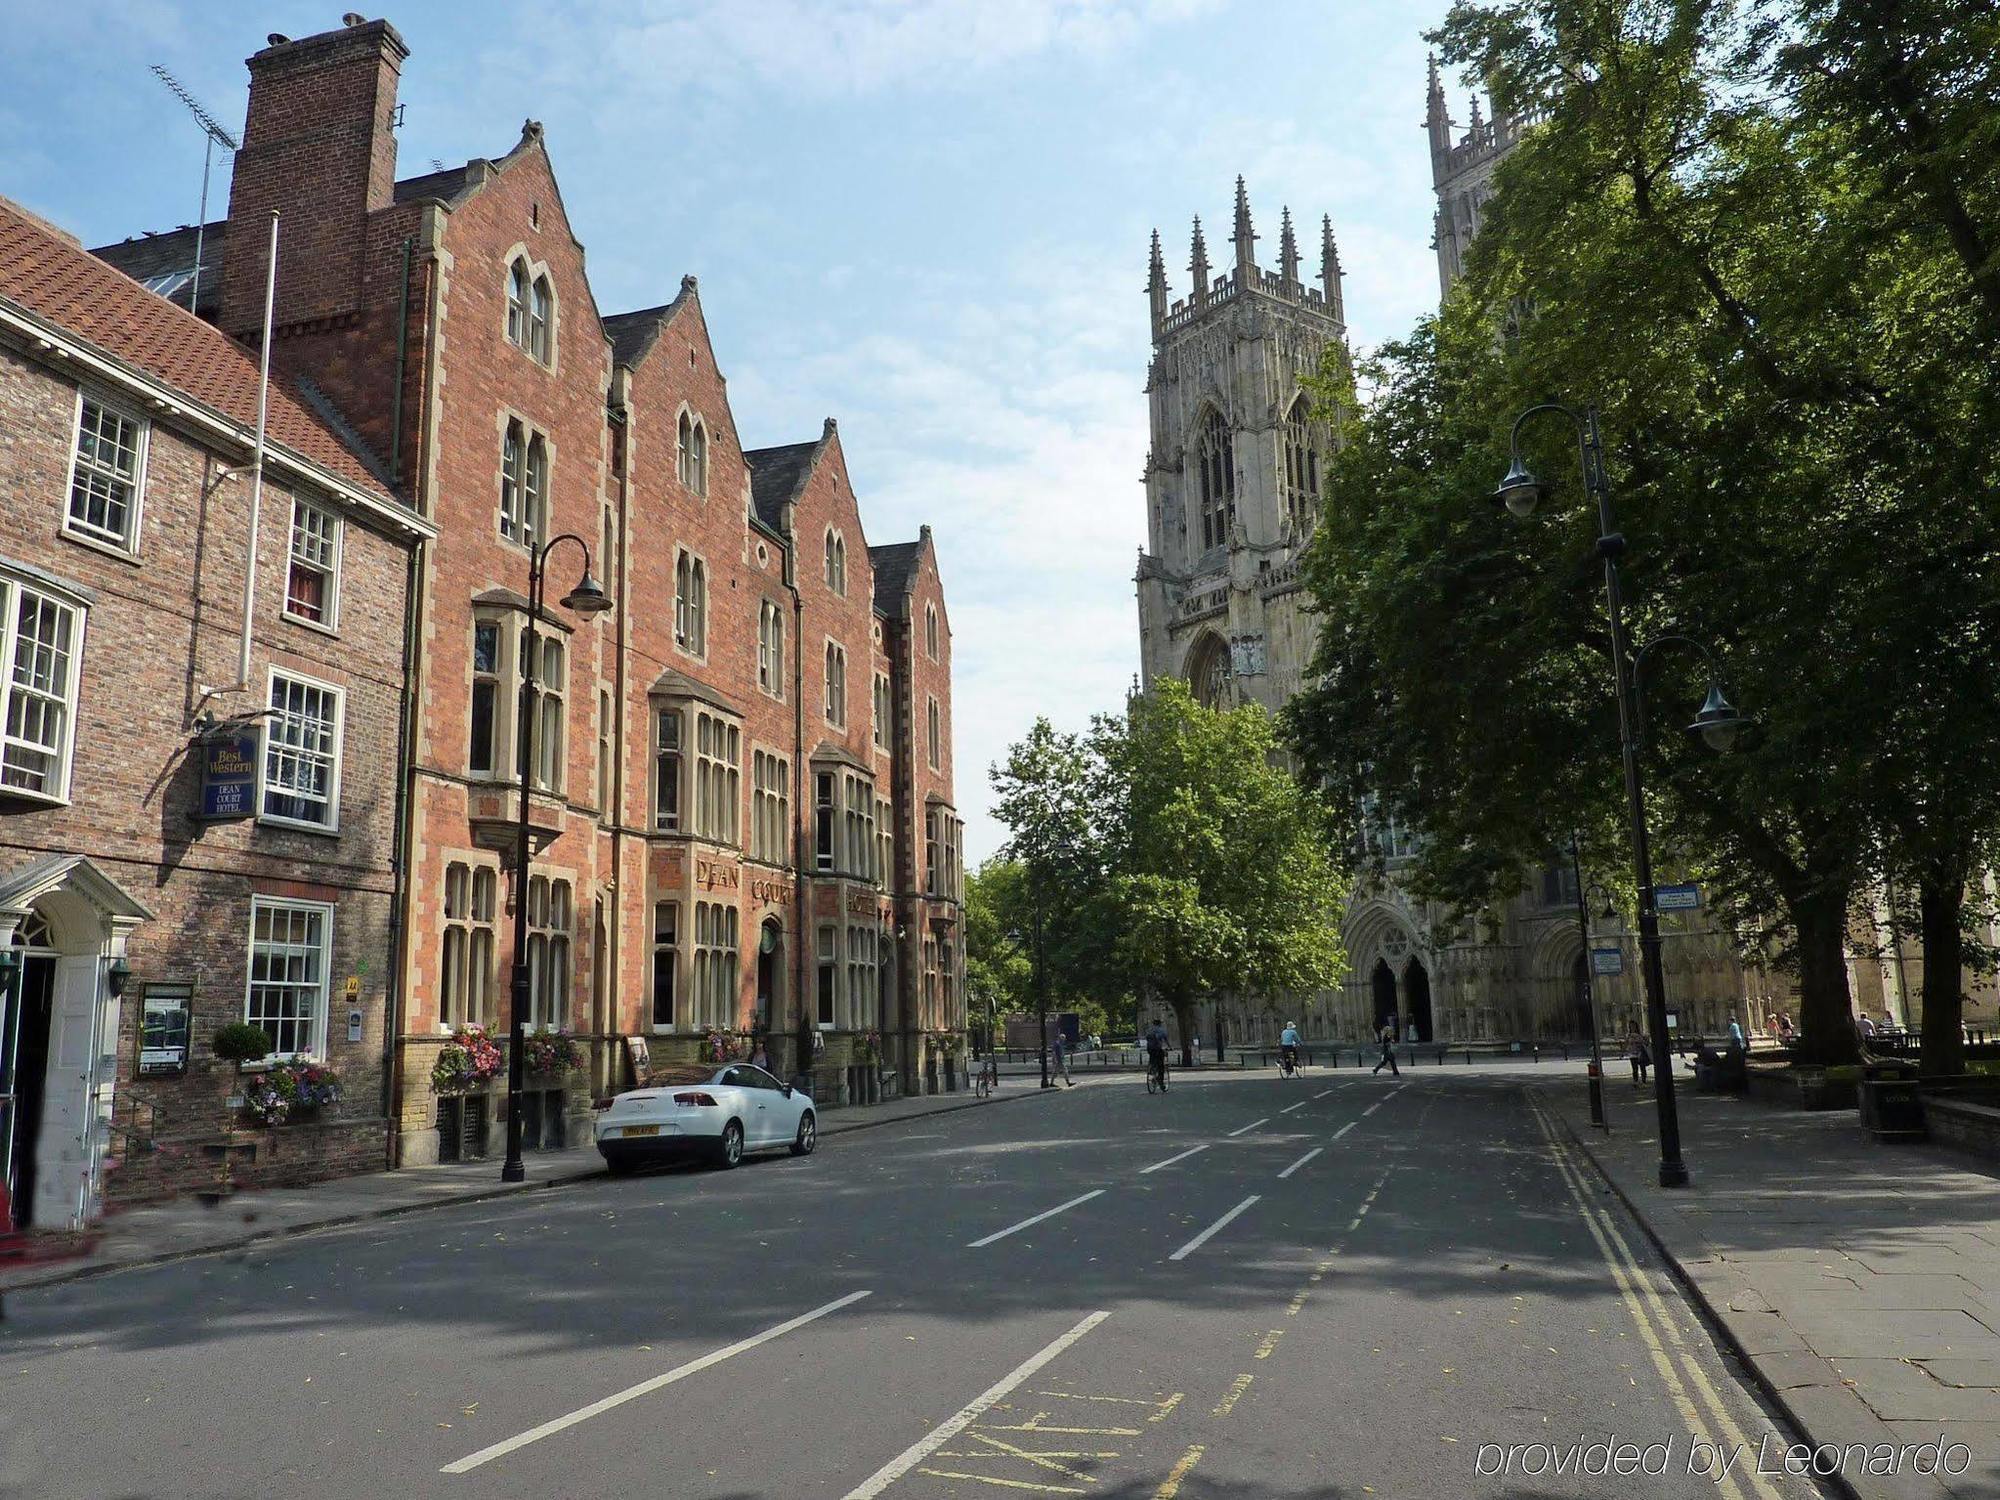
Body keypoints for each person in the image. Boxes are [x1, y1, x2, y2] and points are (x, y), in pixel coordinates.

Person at [1144, 1017, 1170, 1090]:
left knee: (1152, 1059)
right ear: (1160, 1024)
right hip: (1157, 1049)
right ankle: (1161, 1082)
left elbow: (1147, 1038)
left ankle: (1152, 1069)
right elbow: (1165, 1040)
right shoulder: (1161, 1030)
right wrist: (1170, 1047)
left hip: (1150, 1049)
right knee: (1161, 1065)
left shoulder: (1149, 1030)